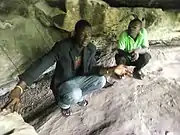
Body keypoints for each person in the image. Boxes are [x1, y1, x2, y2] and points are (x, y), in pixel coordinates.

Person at [2, 20, 131, 117]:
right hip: (64, 83)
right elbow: (42, 63)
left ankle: (78, 97)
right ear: (74, 33)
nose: (86, 38)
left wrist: (112, 70)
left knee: (101, 81)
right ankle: (64, 105)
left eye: (89, 35)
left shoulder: (90, 48)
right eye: (83, 34)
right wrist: (20, 88)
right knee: (74, 93)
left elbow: (93, 69)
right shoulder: (62, 47)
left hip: (79, 81)